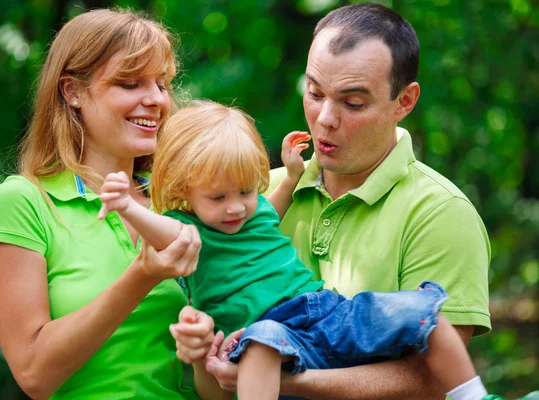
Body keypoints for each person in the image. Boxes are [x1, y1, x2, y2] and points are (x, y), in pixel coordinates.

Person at [98, 100, 494, 400]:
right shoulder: (188, 230)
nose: (235, 207)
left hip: (323, 310)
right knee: (263, 342)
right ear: (185, 192)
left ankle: (472, 395)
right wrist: (128, 205)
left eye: (245, 191)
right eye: (218, 196)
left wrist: (291, 173)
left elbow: (276, 201)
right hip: (263, 331)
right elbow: (162, 229)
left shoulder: (255, 212)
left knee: (422, 305)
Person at [203, 3, 492, 399]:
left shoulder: (441, 213)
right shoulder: (248, 201)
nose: (325, 118)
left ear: (404, 102)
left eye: (352, 103)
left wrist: (282, 378)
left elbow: (432, 378)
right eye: (314, 92)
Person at [0, 9, 215, 400]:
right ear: (72, 92)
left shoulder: (180, 202)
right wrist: (141, 276)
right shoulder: (24, 202)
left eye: (162, 83)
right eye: (130, 83)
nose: (155, 99)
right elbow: (34, 375)